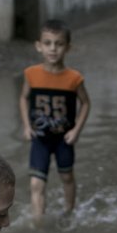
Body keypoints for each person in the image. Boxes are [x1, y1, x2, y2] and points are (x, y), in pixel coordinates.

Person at [19, 19, 91, 219]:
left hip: (63, 139)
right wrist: (26, 126)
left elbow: (85, 103)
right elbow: (24, 98)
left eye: (59, 44)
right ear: (39, 46)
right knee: (36, 183)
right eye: (48, 43)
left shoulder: (74, 78)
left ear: (68, 47)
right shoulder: (31, 74)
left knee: (67, 176)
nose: (53, 49)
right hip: (40, 138)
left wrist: (76, 131)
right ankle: (38, 224)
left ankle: (69, 212)